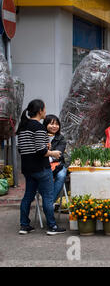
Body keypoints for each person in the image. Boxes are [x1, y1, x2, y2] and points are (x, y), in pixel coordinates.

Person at [17, 99, 66, 235]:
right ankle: (52, 226)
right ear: (40, 111)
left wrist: (45, 146)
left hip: (27, 169)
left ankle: (24, 225)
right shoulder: (38, 127)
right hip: (41, 168)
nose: (45, 112)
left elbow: (22, 149)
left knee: (28, 197)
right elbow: (41, 151)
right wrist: (52, 153)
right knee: (48, 197)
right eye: (44, 109)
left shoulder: (23, 127)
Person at [43, 115, 68, 204]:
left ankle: (49, 203)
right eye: (51, 124)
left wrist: (47, 154)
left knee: (61, 176)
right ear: (45, 124)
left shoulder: (61, 138)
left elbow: (59, 154)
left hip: (59, 165)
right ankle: (48, 201)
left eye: (57, 124)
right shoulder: (40, 137)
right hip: (43, 165)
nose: (54, 126)